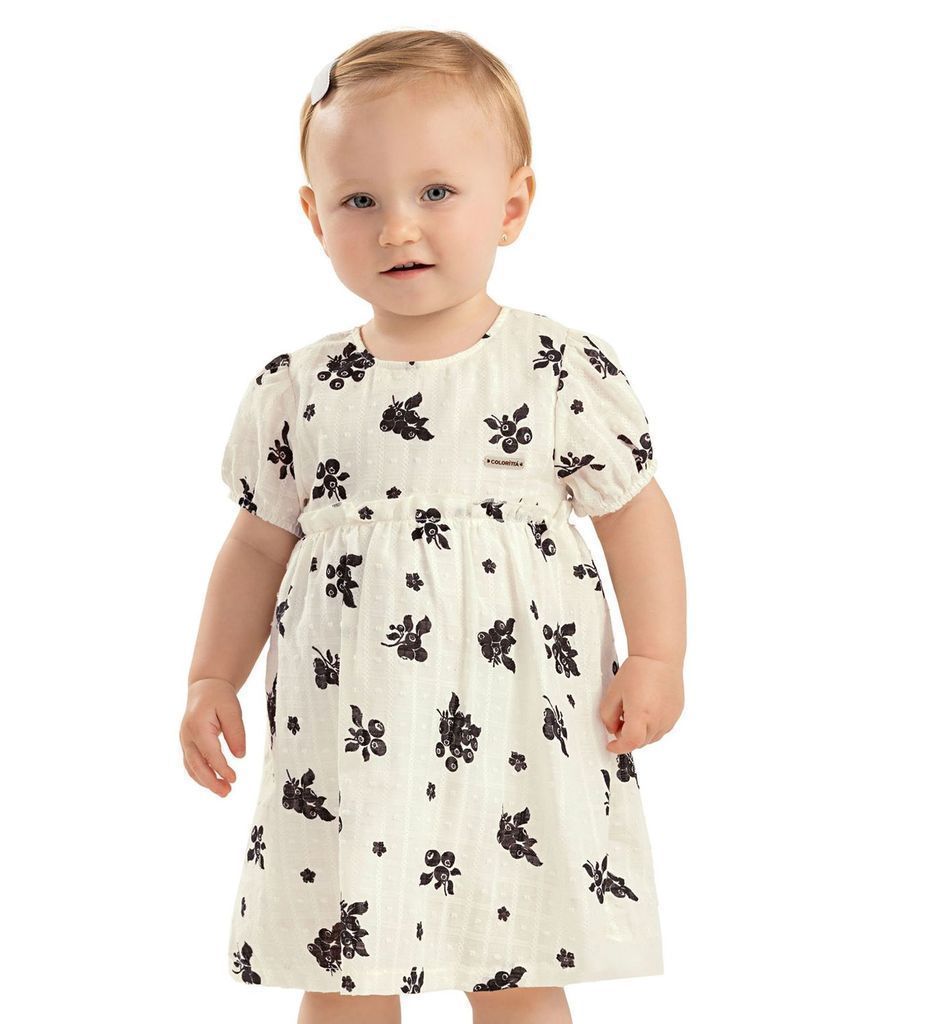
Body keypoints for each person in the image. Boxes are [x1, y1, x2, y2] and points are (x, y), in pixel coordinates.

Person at [180, 28, 686, 1024]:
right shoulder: (300, 389)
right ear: (314, 215)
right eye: (359, 201)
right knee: (346, 957)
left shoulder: (554, 371)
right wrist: (210, 677)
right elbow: (256, 544)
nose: (396, 228)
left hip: (519, 721)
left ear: (512, 204)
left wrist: (657, 656)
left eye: (436, 192)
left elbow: (633, 514)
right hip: (350, 727)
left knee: (517, 958)